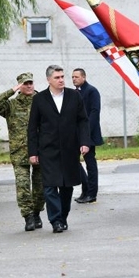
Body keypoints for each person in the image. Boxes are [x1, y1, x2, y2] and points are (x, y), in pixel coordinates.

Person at [28, 65, 90, 233]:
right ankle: (55, 220)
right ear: (49, 80)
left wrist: (85, 142)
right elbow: (32, 127)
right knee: (49, 186)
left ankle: (63, 217)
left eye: (62, 76)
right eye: (57, 77)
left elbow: (83, 121)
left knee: (66, 186)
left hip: (70, 148)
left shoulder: (74, 96)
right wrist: (32, 152)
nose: (61, 80)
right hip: (48, 149)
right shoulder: (39, 99)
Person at [0, 72, 45, 231]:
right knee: (23, 186)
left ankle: (37, 213)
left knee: (40, 186)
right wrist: (11, 91)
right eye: (25, 84)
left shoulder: (41, 101)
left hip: (40, 151)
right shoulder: (11, 105)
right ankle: (27, 216)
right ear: (20, 86)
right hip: (19, 152)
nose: (28, 86)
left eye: (30, 83)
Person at [72, 68, 103, 204]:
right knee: (73, 161)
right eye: (72, 77)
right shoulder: (74, 93)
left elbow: (94, 113)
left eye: (77, 77)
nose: (74, 79)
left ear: (83, 77)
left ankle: (91, 193)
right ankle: (85, 188)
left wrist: (86, 132)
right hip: (76, 133)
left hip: (88, 134)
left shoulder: (91, 91)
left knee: (90, 163)